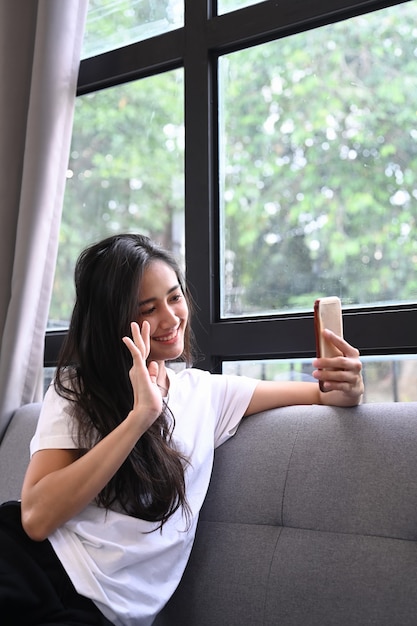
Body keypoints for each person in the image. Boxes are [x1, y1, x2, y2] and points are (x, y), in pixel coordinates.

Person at [0, 233, 364, 626]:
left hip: (102, 612)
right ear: (114, 319)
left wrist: (349, 387)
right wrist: (139, 418)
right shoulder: (79, 390)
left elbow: (326, 397)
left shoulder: (206, 394)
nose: (171, 318)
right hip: (32, 569)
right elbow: (36, 519)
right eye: (148, 308)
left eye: (175, 298)